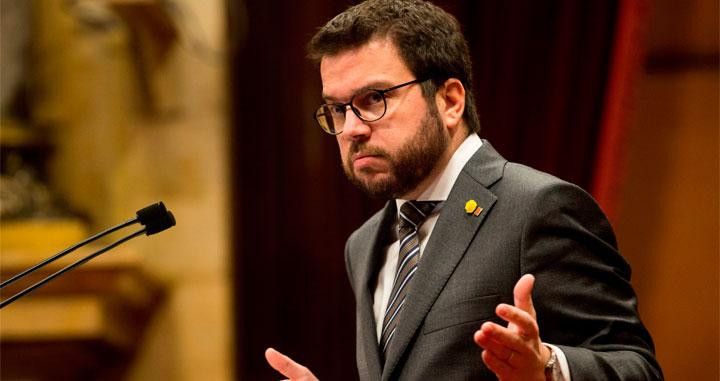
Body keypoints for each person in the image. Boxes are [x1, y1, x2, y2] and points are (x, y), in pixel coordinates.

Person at [265, 0, 663, 380]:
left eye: (374, 99)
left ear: (450, 101)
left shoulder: (538, 208)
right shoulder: (364, 244)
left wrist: (548, 369)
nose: (352, 128)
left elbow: (637, 368)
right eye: (338, 109)